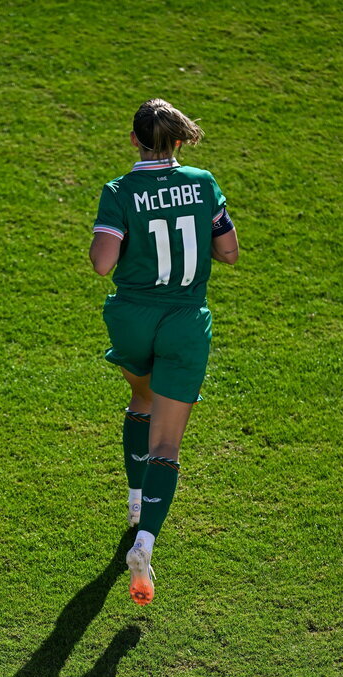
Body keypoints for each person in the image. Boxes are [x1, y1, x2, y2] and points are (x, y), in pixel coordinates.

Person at [89, 97, 239, 606]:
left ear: (134, 139)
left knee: (141, 399)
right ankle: (145, 542)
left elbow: (102, 264)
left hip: (132, 318)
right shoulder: (203, 182)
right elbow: (229, 252)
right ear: (179, 140)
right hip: (184, 321)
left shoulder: (118, 191)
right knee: (168, 445)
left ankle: (134, 501)